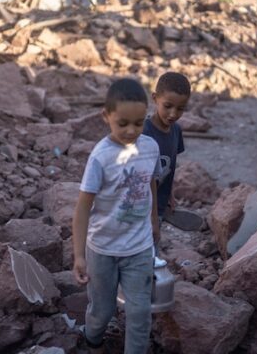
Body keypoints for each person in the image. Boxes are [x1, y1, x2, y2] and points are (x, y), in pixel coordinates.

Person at [72, 78, 161, 354]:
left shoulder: (150, 148)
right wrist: (79, 255)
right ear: (106, 116)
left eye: (138, 123)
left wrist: (154, 220)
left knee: (139, 312)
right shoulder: (100, 157)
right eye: (122, 123)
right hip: (102, 249)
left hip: (139, 247)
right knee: (102, 309)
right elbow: (83, 207)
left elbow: (150, 183)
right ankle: (92, 339)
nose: (131, 130)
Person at [142, 72, 191, 220]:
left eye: (180, 108)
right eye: (168, 106)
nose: (173, 114)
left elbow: (169, 168)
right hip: (140, 205)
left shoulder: (176, 131)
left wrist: (169, 194)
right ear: (155, 98)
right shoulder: (144, 133)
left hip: (160, 204)